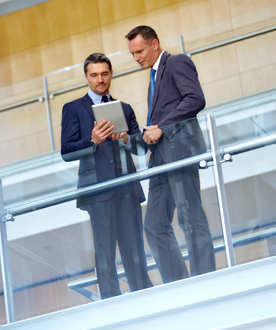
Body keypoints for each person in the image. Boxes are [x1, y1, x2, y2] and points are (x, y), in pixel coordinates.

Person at [125, 26, 216, 283]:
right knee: (153, 225)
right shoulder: (153, 77)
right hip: (159, 160)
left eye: (140, 51)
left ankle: (204, 280)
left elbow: (195, 99)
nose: (136, 58)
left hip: (179, 154)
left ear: (155, 44)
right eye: (132, 54)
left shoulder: (176, 62)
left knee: (190, 217)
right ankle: (179, 284)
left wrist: (163, 127)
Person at [61, 53, 152, 299]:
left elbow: (142, 149)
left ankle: (145, 298)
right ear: (86, 77)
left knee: (135, 249)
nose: (100, 79)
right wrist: (93, 141)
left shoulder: (124, 108)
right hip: (98, 192)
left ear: (111, 74)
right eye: (94, 75)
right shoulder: (73, 109)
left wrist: (125, 138)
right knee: (105, 250)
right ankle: (111, 302)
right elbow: (67, 152)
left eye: (104, 74)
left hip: (127, 188)